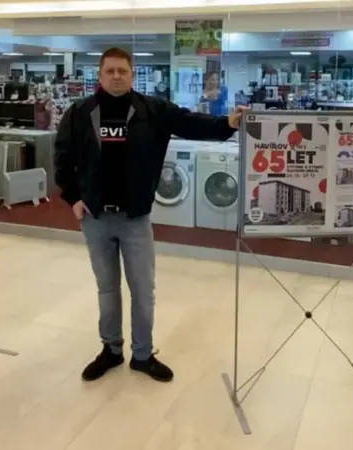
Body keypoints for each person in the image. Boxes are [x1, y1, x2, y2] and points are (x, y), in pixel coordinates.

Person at [54, 47, 244, 383]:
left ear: (132, 74)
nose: (116, 76)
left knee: (143, 291)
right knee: (107, 289)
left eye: (122, 71)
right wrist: (73, 198)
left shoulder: (152, 109)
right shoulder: (80, 112)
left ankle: (142, 355)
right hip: (96, 219)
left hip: (135, 219)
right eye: (110, 71)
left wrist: (226, 124)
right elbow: (62, 156)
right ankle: (111, 349)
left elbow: (191, 123)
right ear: (100, 74)